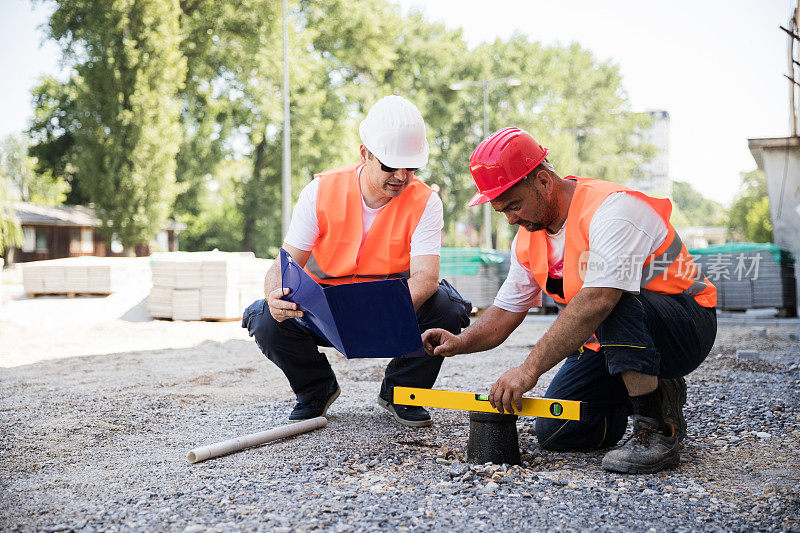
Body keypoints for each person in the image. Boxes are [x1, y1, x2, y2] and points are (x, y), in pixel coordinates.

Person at [422, 127, 717, 473]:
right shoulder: (528, 237)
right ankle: (650, 391)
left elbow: (598, 300)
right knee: (558, 430)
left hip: (685, 325)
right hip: (611, 338)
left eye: (514, 205)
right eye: (504, 212)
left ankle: (655, 434)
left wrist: (528, 370)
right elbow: (506, 310)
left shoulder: (612, 210)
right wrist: (460, 342)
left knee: (608, 298)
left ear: (544, 182)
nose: (512, 219)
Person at [243, 95, 471, 428]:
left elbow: (425, 279)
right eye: (391, 165)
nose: (402, 176)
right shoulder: (320, 190)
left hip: (390, 308)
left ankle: (403, 392)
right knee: (264, 316)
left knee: (448, 306)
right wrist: (272, 293)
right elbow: (284, 262)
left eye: (411, 167)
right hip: (327, 311)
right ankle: (315, 391)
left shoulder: (426, 202)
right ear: (364, 154)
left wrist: (371, 311)